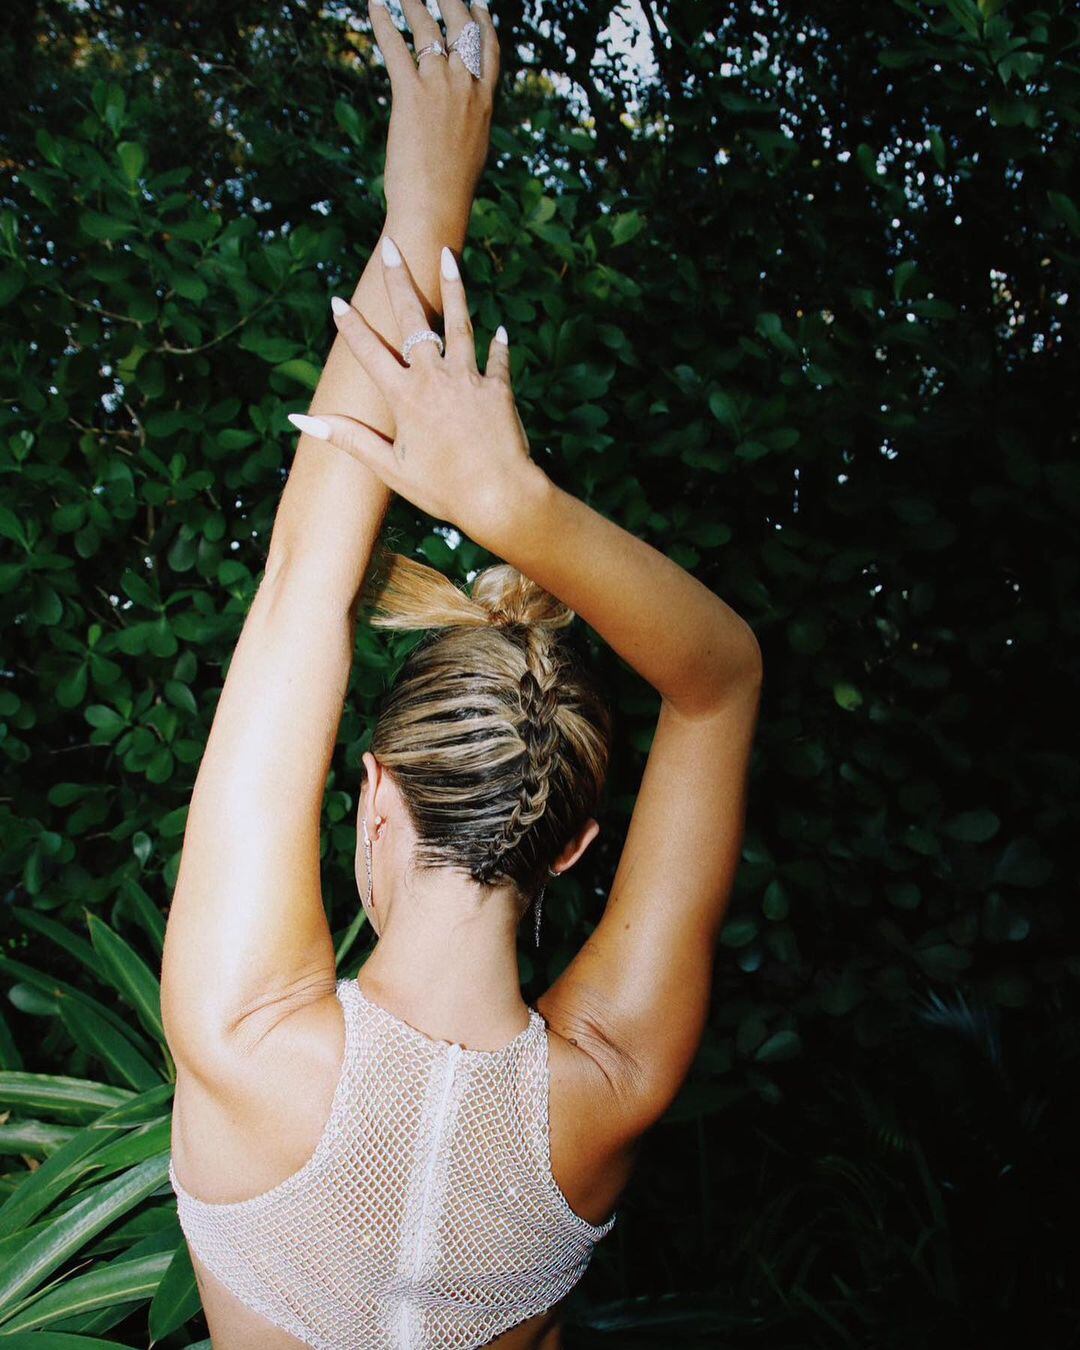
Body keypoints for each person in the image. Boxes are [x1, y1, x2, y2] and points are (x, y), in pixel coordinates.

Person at [160, 1, 763, 1346]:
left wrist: (422, 214)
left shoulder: (247, 1035)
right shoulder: (612, 1082)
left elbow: (305, 586)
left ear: (378, 795)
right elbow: (719, 675)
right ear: (569, 847)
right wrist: (519, 507)